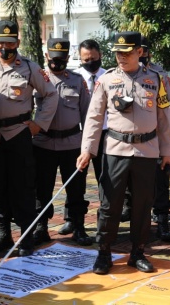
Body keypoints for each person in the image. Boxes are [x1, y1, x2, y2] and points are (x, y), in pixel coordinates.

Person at [76, 31, 170, 274]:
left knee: (143, 204)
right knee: (110, 204)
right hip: (116, 150)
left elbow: (163, 119)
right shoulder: (107, 80)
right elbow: (94, 117)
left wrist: (168, 152)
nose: (121, 57)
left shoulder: (156, 80)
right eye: (118, 52)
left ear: (139, 52)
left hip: (147, 151)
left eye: (127, 52)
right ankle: (104, 252)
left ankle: (138, 252)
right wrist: (87, 149)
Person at [0, 20, 58, 257]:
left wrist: (39, 124)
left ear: (18, 42)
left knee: (23, 187)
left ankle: (26, 237)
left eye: (11, 42)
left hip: (18, 135)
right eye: (1, 42)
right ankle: (3, 234)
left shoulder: (29, 67)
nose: (6, 46)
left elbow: (50, 95)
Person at [31, 38, 93, 246]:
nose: (57, 62)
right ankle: (41, 228)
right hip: (43, 144)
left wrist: (88, 147)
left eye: (61, 58)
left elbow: (87, 115)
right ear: (47, 56)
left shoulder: (77, 81)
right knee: (42, 189)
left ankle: (78, 227)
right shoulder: (36, 79)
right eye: (53, 58)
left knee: (76, 189)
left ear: (68, 57)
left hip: (72, 144)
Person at [60, 39, 106, 235]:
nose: (90, 62)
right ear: (80, 58)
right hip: (79, 136)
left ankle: (104, 220)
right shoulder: (75, 78)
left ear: (100, 56)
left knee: (105, 179)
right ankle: (72, 219)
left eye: (94, 59)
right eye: (86, 59)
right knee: (75, 180)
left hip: (105, 135)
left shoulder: (109, 77)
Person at [139, 35, 170, 242]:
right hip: (132, 138)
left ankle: (162, 220)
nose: (141, 55)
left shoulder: (159, 75)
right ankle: (139, 222)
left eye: (144, 51)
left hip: (156, 134)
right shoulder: (121, 74)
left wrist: (157, 119)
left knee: (161, 178)